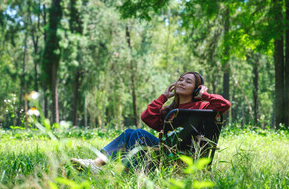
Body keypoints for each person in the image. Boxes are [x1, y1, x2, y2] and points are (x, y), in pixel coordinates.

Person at [71, 71, 231, 172]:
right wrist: (163, 97)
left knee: (137, 133)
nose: (181, 82)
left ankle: (123, 172)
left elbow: (224, 105)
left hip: (181, 158)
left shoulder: (202, 106)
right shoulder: (171, 111)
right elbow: (147, 117)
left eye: (188, 82)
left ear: (197, 88)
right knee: (130, 133)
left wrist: (204, 95)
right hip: (164, 152)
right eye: (180, 79)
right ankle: (97, 164)